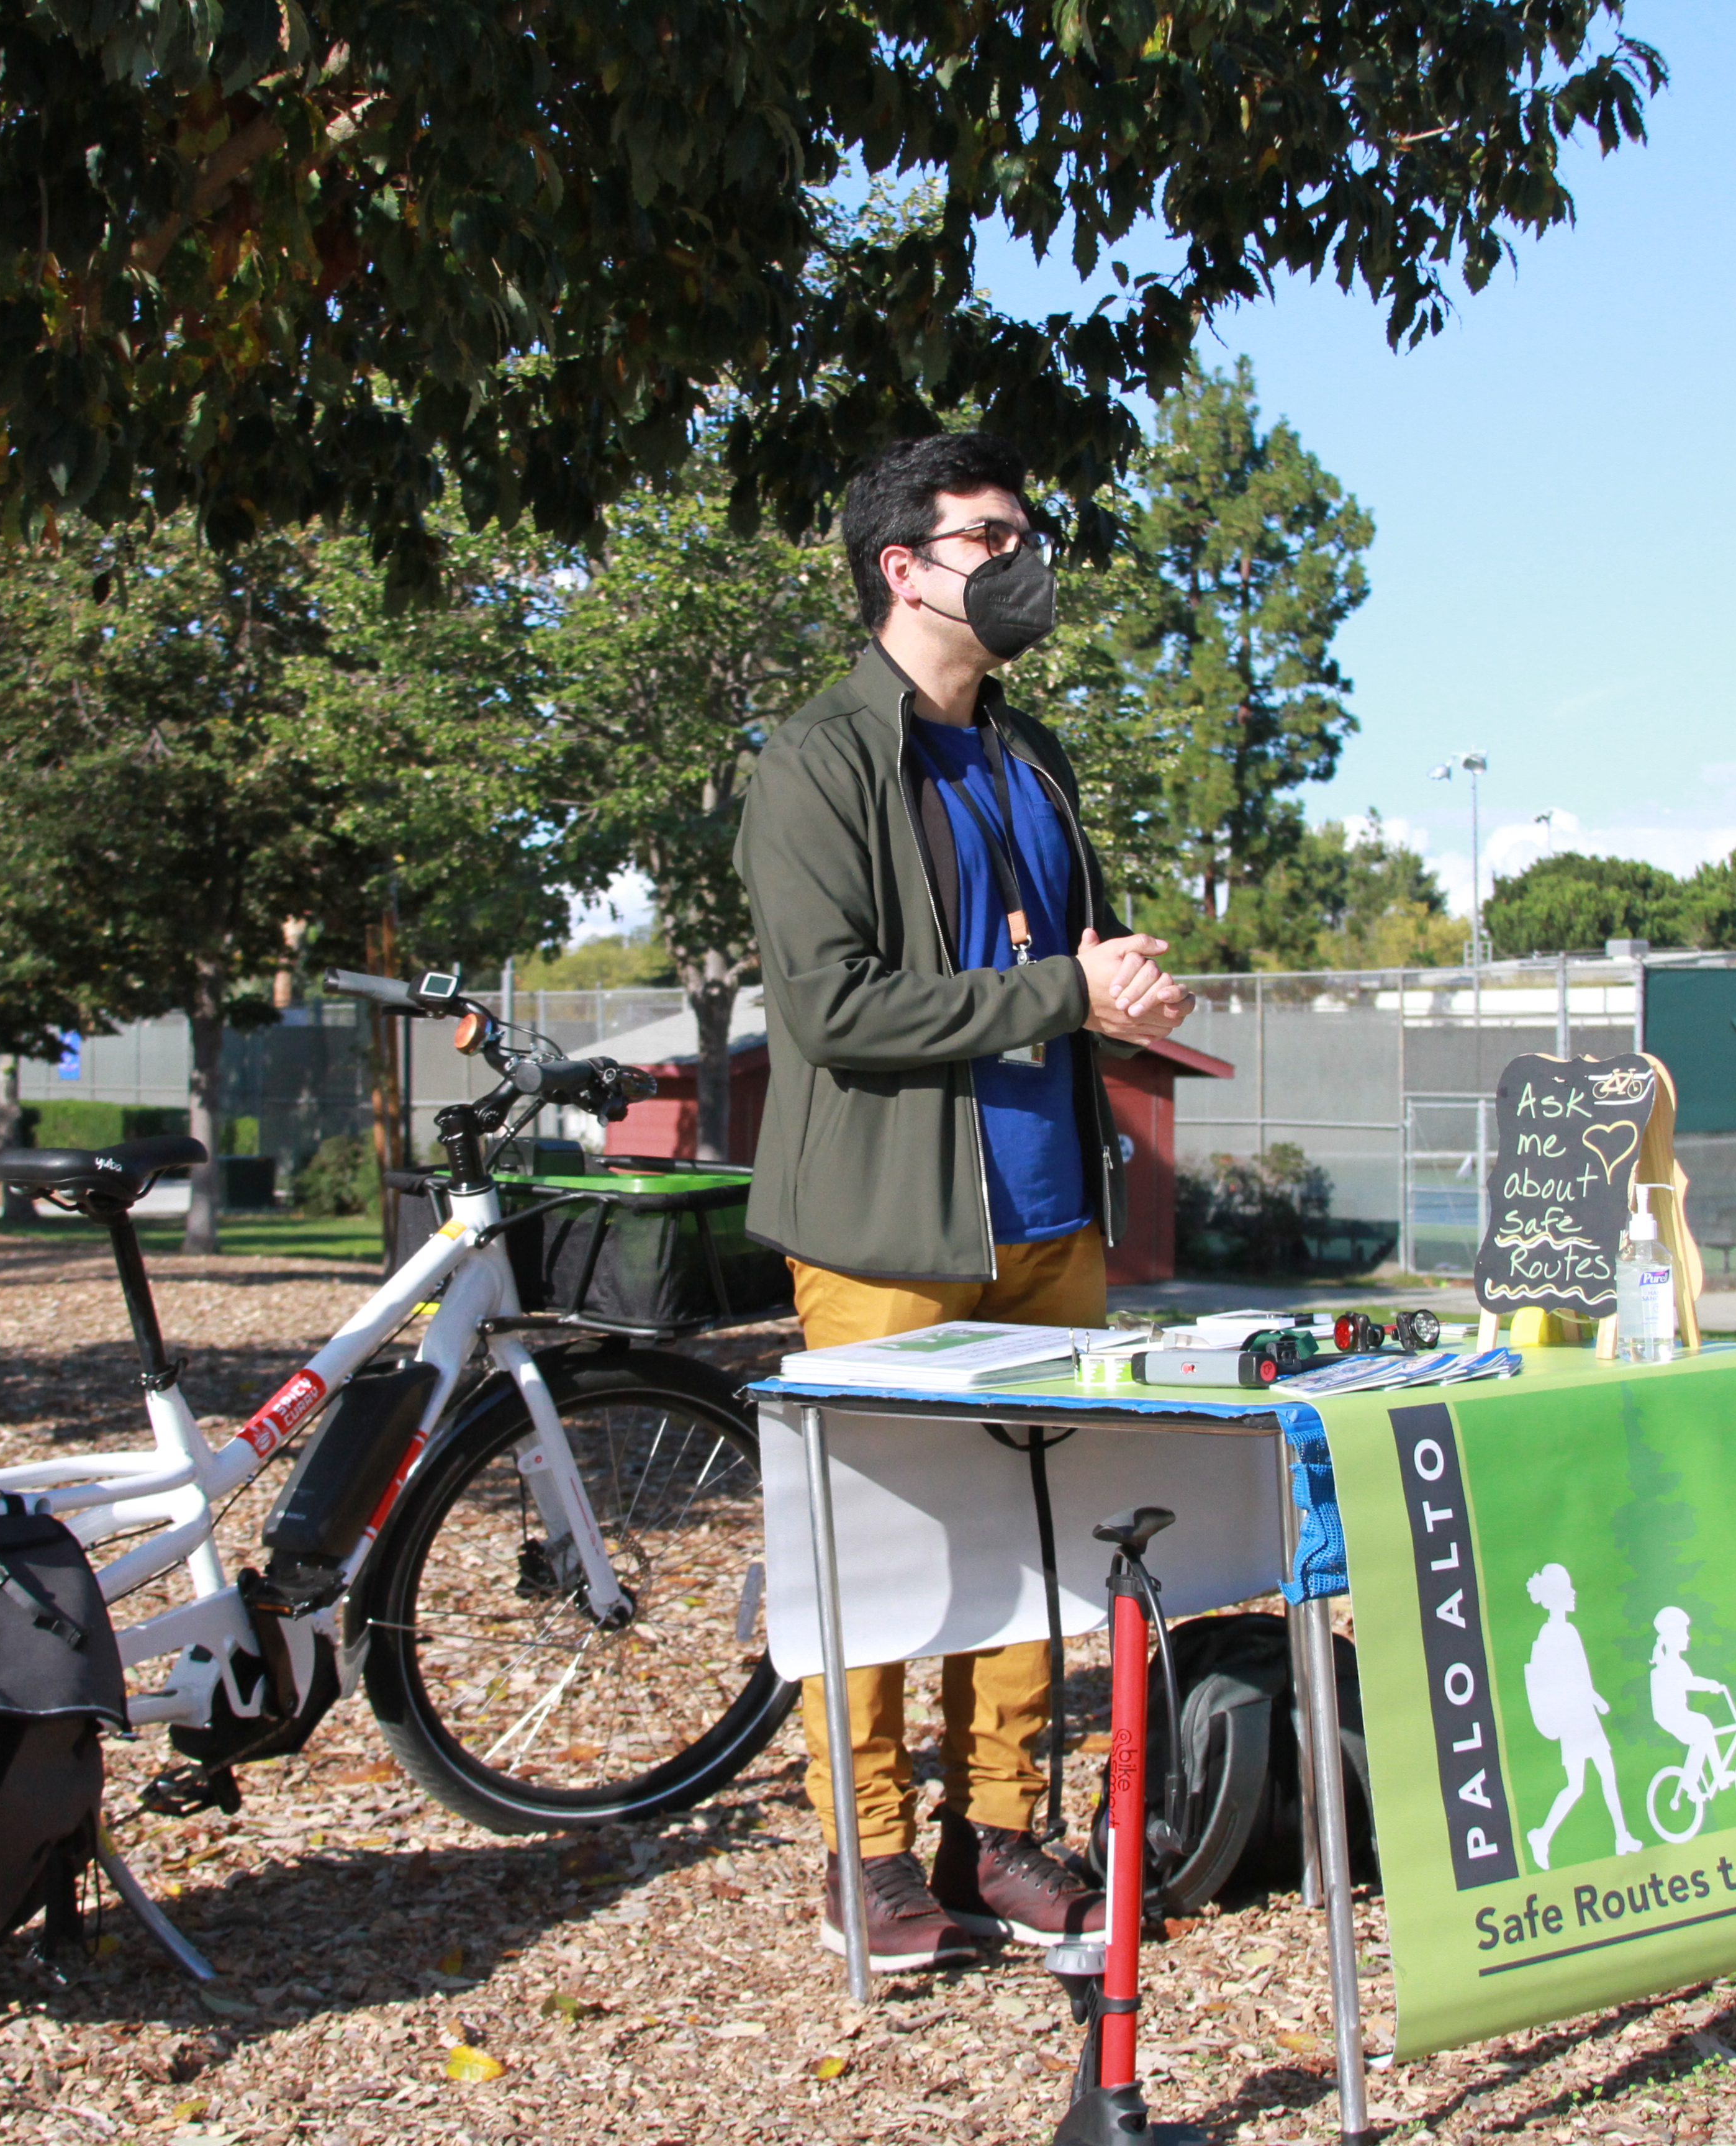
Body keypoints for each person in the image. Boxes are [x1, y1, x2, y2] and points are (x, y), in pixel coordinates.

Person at [736, 432, 1196, 1972]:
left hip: (1049, 1218)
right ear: (903, 566)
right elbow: (833, 1008)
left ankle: (992, 1832)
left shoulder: (1030, 753)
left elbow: (1058, 949)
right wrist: (1060, 984)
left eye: (1022, 528)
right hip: (884, 1233)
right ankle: (864, 1851)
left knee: (1024, 1542)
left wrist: (1113, 989)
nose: (1021, 557)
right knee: (872, 1544)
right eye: (989, 534)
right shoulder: (814, 763)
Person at [1519, 1564, 1638, 1870]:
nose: (1574, 1596)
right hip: (1574, 1720)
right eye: (1568, 1591)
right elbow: (1561, 1680)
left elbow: (1580, 1674)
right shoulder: (1551, 1634)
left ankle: (1622, 1837)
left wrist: (1595, 1699)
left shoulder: (1567, 1630)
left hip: (1585, 1715)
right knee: (1577, 1786)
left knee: (1607, 1776)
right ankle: (1542, 1835)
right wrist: (1586, 1700)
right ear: (1557, 1597)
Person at [1647, 1606, 1729, 1804]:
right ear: (1674, 1636)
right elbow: (1688, 1683)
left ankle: (1717, 1775)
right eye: (1684, 1633)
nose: (1688, 1638)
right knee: (1703, 1726)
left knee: (1703, 1731)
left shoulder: (1673, 1664)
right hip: (1672, 1717)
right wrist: (1710, 1685)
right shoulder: (1670, 1666)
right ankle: (1698, 1780)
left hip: (1674, 1715)